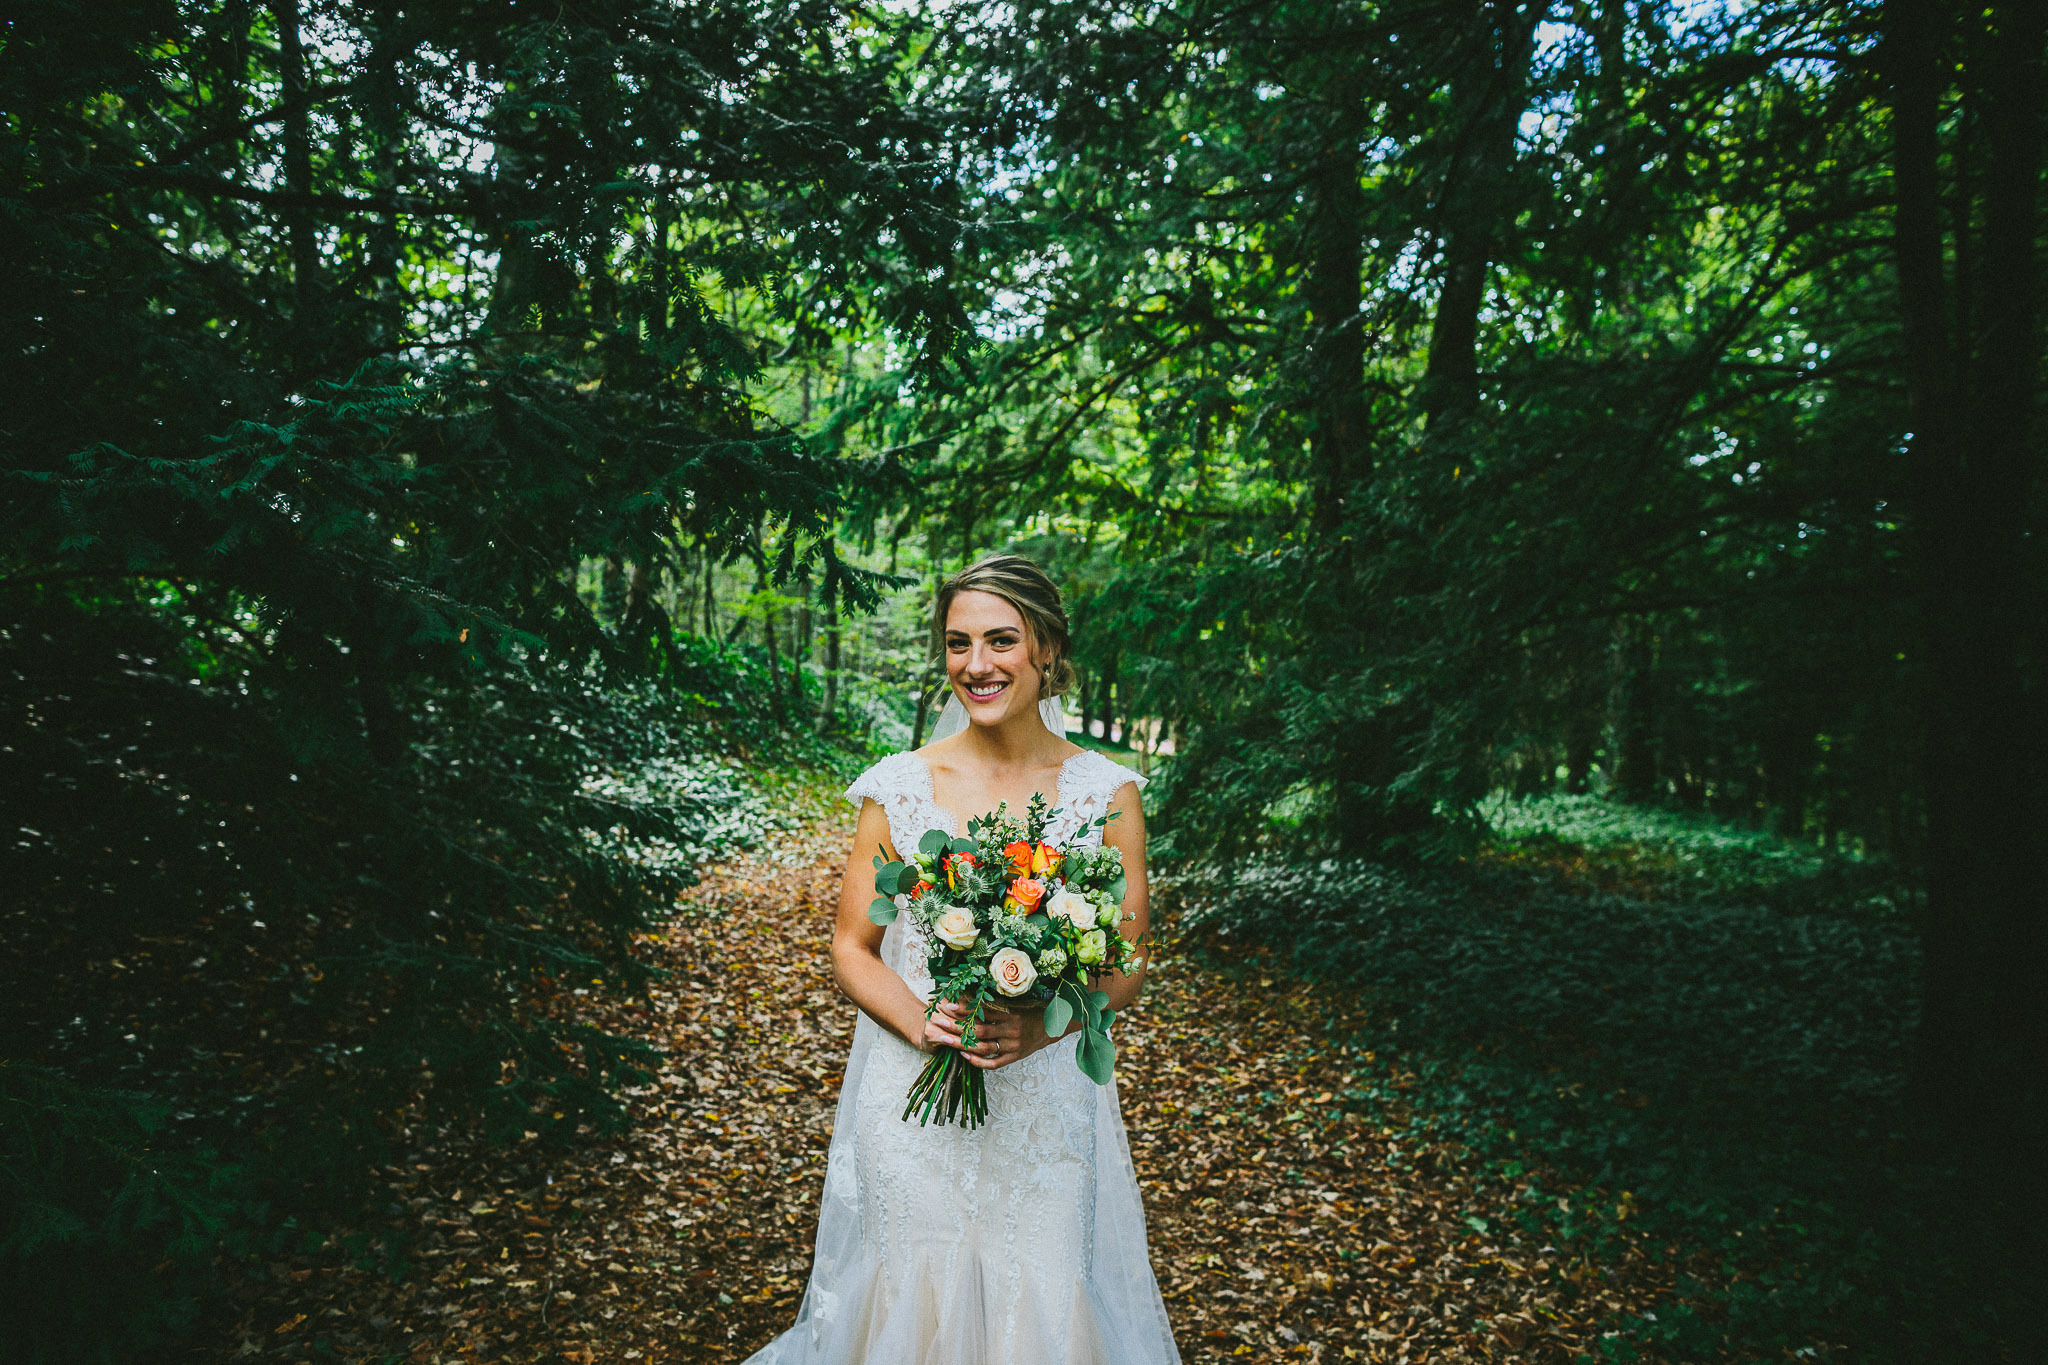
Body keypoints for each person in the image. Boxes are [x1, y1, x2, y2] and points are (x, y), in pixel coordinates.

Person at [743, 553, 1181, 1364]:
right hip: (912, 1098)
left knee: (1041, 1287)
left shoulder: (1106, 794)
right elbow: (852, 943)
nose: (975, 665)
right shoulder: (902, 787)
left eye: (1001, 640)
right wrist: (923, 1022)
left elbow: (1130, 957)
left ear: (1046, 648)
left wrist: (1039, 1033)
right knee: (911, 1290)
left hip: (1045, 1101)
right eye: (957, 643)